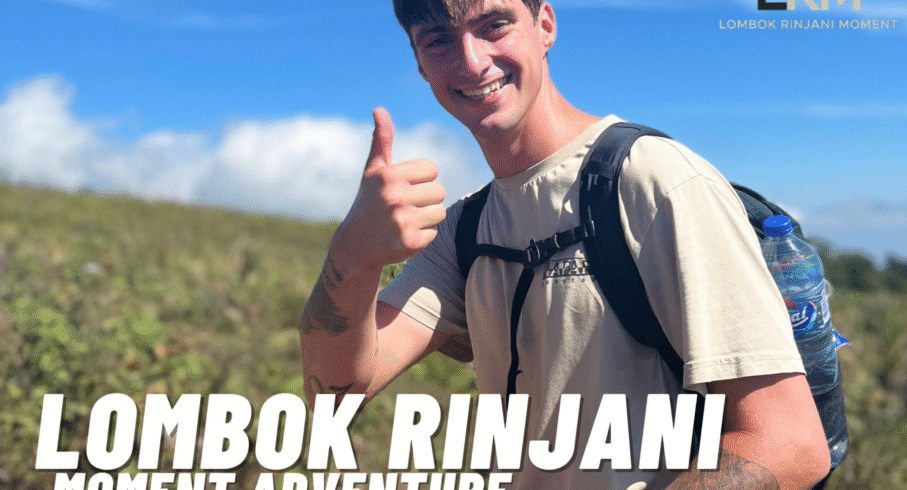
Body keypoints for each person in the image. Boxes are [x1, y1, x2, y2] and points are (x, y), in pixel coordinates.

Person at [299, 0, 831, 488]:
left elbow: (789, 444)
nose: (471, 60)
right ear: (418, 62)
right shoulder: (467, 228)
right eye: (438, 39)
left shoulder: (656, 181)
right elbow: (334, 392)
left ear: (545, 25)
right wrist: (353, 254)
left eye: (494, 25)